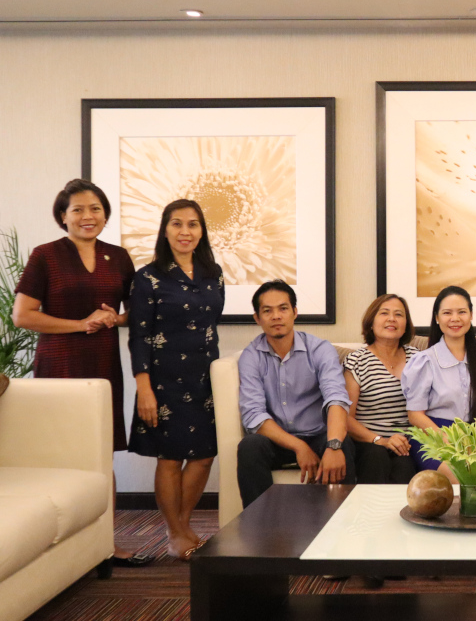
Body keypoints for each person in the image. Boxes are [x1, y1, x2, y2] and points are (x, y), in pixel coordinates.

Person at [12, 179, 150, 566]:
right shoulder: (46, 255)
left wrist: (113, 319)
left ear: (105, 215)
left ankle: (106, 543)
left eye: (95, 209)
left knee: (101, 454)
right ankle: (59, 545)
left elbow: (134, 314)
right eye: (77, 210)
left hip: (102, 367)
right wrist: (80, 324)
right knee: (60, 454)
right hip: (59, 366)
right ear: (63, 216)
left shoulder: (118, 257)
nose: (87, 216)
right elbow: (22, 315)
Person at [127, 199, 224, 561]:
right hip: (163, 380)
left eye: (193, 224)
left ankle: (182, 525)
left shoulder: (213, 272)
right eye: (177, 224)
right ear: (165, 230)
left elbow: (210, 325)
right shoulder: (148, 276)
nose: (185, 232)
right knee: (170, 458)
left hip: (205, 379)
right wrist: (143, 388)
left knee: (204, 455)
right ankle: (175, 533)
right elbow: (139, 334)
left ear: (202, 231)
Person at [237, 280, 357, 507]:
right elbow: (253, 414)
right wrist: (299, 447)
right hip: (277, 440)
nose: (276, 316)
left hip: (318, 435)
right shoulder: (251, 357)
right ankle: (259, 525)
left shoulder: (320, 349)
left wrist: (333, 445)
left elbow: (336, 399)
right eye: (267, 311)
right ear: (257, 318)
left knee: (345, 444)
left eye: (283, 308)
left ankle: (341, 522)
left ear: (294, 312)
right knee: (250, 447)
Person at [401, 285, 476, 482]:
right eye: (447, 313)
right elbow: (415, 415)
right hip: (434, 437)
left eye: (462, 312)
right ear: (437, 318)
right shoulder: (424, 361)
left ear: (471, 315)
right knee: (465, 478)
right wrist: (451, 443)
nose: (455, 318)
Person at [343, 294, 418, 484]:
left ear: (406, 324)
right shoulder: (357, 361)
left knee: (404, 465)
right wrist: (381, 440)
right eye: (384, 313)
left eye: (399, 314)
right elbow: (346, 418)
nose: (392, 319)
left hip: (406, 444)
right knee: (377, 457)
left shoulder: (418, 359)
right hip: (368, 442)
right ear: (371, 322)